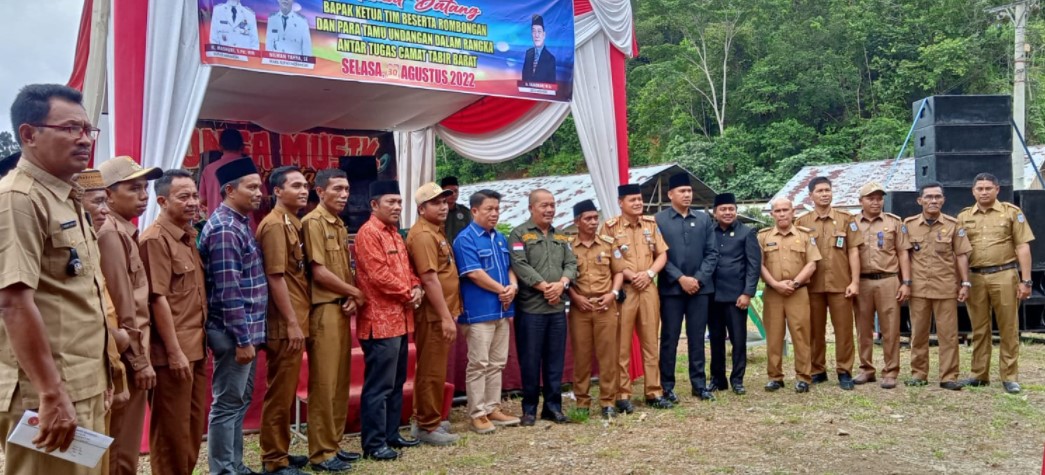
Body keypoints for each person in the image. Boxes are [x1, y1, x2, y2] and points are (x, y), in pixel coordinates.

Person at [0, 84, 108, 474]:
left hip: (82, 381)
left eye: (87, 130)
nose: (83, 139)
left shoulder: (65, 196)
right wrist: (50, 392)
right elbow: (13, 302)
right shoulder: (19, 198)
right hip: (49, 389)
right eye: (70, 129)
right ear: (29, 135)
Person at [199, 157, 268, 475]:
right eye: (251, 187)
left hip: (246, 332)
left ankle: (235, 465)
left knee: (237, 403)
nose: (259, 193)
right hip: (233, 333)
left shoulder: (239, 222)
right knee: (226, 404)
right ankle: (223, 470)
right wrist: (242, 340)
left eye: (259, 185)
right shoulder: (226, 229)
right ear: (229, 190)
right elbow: (228, 293)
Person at [139, 170, 209, 475]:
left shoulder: (188, 235)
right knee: (171, 434)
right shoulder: (155, 239)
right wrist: (173, 351)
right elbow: (158, 299)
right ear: (163, 201)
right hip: (173, 353)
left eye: (194, 195)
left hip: (195, 347)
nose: (193, 202)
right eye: (184, 196)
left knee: (192, 430)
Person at [97, 155, 162, 475]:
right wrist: (139, 361)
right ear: (108, 194)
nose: (144, 195)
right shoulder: (111, 234)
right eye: (134, 188)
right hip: (125, 357)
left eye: (145, 188)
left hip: (131, 352)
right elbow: (122, 307)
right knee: (120, 447)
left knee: (124, 444)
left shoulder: (124, 231)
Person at [355, 180, 423, 461]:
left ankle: (392, 434)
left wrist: (417, 286)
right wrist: (409, 292)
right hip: (378, 322)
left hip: (400, 319)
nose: (396, 207)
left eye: (399, 202)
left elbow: (408, 270)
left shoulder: (395, 234)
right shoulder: (368, 233)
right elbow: (377, 275)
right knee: (379, 386)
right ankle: (373, 443)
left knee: (395, 384)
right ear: (374, 205)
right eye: (390, 202)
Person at [302, 168, 363, 472]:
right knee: (324, 383)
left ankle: (334, 444)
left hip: (341, 308)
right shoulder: (312, 222)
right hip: (323, 309)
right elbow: (319, 271)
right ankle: (320, 452)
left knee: (340, 382)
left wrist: (351, 295)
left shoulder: (338, 224)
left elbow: (342, 267)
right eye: (337, 189)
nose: (343, 195)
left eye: (347, 189)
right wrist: (356, 291)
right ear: (320, 192)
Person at [956, 173, 1035, 394]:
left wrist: (1026, 280)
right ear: (973, 191)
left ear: (997, 189)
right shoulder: (963, 217)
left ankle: (1009, 376)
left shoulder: (1011, 213)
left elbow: (1022, 247)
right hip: (975, 277)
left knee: (1009, 327)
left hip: (1004, 274)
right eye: (979, 188)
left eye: (988, 188)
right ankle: (979, 374)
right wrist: (962, 281)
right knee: (979, 328)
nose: (984, 192)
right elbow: (959, 252)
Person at [255, 166, 311, 474]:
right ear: (277, 191)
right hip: (283, 321)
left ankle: (282, 452)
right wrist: (291, 323)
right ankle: (273, 459)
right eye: (296, 186)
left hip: (296, 316)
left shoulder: (292, 222)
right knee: (279, 392)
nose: (303, 190)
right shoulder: (275, 225)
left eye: (305, 185)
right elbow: (275, 277)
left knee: (286, 390)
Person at [453, 189, 521, 434]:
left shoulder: (500, 238)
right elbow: (473, 273)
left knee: (497, 362)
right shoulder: (465, 239)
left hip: (502, 311)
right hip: (478, 312)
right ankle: (477, 413)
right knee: (479, 363)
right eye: (488, 209)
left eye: (496, 209)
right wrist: (502, 290)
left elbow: (510, 267)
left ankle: (493, 407)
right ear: (474, 211)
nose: (494, 213)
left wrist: (512, 287)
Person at [508, 189, 577, 425]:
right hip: (531, 310)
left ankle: (553, 408)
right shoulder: (519, 234)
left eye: (552, 205)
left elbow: (571, 264)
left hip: (557, 309)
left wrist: (562, 284)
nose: (549, 210)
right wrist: (545, 287)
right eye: (544, 205)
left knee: (554, 360)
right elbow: (519, 264)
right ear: (531, 208)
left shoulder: (562, 236)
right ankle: (529, 409)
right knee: (530, 361)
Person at [602, 184, 672, 411]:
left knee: (651, 341)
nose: (638, 203)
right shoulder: (610, 227)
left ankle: (654, 391)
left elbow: (662, 254)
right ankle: (623, 394)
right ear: (621, 203)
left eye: (640, 199)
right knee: (622, 344)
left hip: (649, 288)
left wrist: (650, 273)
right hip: (626, 290)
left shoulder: (651, 225)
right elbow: (610, 259)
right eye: (632, 200)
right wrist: (632, 276)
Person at [405, 182, 462, 446]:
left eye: (444, 201)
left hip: (444, 311)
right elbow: (429, 279)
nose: (443, 206)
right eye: (435, 203)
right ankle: (427, 425)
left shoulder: (435, 231)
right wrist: (445, 317)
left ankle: (428, 418)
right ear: (421, 208)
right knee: (431, 369)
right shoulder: (423, 235)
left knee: (435, 368)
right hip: (434, 314)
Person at [654, 173, 718, 402]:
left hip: (700, 290)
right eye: (682, 191)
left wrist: (698, 279)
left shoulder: (703, 219)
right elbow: (658, 255)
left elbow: (712, 253)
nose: (687, 195)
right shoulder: (658, 220)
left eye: (689, 191)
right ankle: (667, 385)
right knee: (670, 337)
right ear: (670, 194)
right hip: (672, 290)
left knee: (697, 336)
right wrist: (680, 278)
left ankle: (699, 384)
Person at [794, 176, 861, 390]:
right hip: (812, 287)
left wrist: (855, 281)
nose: (825, 194)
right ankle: (817, 370)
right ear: (811, 195)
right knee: (814, 330)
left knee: (843, 330)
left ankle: (844, 371)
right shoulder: (802, 222)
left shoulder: (846, 219)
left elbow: (853, 251)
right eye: (820, 191)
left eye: (828, 190)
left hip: (841, 285)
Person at [903, 182, 971, 391]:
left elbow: (961, 255)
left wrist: (965, 283)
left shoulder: (953, 224)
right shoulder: (909, 224)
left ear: (943, 200)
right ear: (920, 200)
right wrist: (905, 283)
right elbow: (904, 254)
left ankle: (949, 376)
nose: (933, 201)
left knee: (948, 334)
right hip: (919, 288)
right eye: (929, 197)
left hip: (945, 287)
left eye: (937, 197)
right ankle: (918, 374)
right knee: (919, 333)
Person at [76, 169, 131, 419]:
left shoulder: (90, 242)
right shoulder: (103, 237)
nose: (105, 210)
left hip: (105, 368)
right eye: (97, 201)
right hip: (79, 375)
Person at [566, 199, 623, 419]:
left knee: (608, 356)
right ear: (577, 222)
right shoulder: (568, 246)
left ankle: (608, 401)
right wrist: (575, 298)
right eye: (587, 219)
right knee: (581, 356)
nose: (592, 222)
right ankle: (582, 402)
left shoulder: (608, 243)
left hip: (605, 306)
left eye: (594, 218)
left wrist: (613, 294)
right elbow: (566, 277)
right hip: (580, 307)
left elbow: (618, 271)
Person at [758, 198, 821, 393]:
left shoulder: (804, 236)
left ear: (793, 212)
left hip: (798, 292)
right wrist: (776, 284)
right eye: (778, 211)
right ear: (772, 214)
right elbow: (758, 265)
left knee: (801, 334)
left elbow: (812, 264)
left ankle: (803, 376)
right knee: (774, 335)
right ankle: (775, 377)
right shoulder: (763, 236)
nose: (782, 214)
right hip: (773, 292)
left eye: (786, 210)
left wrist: (794, 283)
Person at [853, 182, 912, 390]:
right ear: (861, 201)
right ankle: (866, 369)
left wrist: (906, 282)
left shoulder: (894, 222)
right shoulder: (852, 224)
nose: (876, 202)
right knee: (863, 328)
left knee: (890, 328)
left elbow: (903, 252)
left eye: (879, 198)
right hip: (862, 281)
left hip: (888, 279)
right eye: (871, 198)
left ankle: (891, 371)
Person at [709, 193, 760, 395]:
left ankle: (737, 379)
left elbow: (753, 265)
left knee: (738, 340)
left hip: (736, 297)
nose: (728, 212)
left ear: (736, 211)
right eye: (723, 209)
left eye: (731, 209)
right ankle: (718, 379)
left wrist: (747, 293)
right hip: (712, 296)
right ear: (715, 213)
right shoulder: (708, 232)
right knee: (715, 338)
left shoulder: (746, 233)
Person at [198, 129, 247, 218]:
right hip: (246, 227)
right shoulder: (252, 167)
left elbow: (202, 200)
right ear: (242, 147)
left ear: (220, 147)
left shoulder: (209, 170)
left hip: (218, 224)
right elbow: (263, 200)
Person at [522, 14, 556, 83]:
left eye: (539, 31)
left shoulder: (550, 59)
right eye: (533, 31)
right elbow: (524, 78)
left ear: (544, 35)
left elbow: (551, 86)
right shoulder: (528, 53)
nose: (536, 35)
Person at [440, 176, 472, 243]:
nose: (453, 194)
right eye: (450, 191)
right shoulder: (437, 212)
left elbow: (471, 232)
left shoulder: (465, 212)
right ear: (442, 192)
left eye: (456, 191)